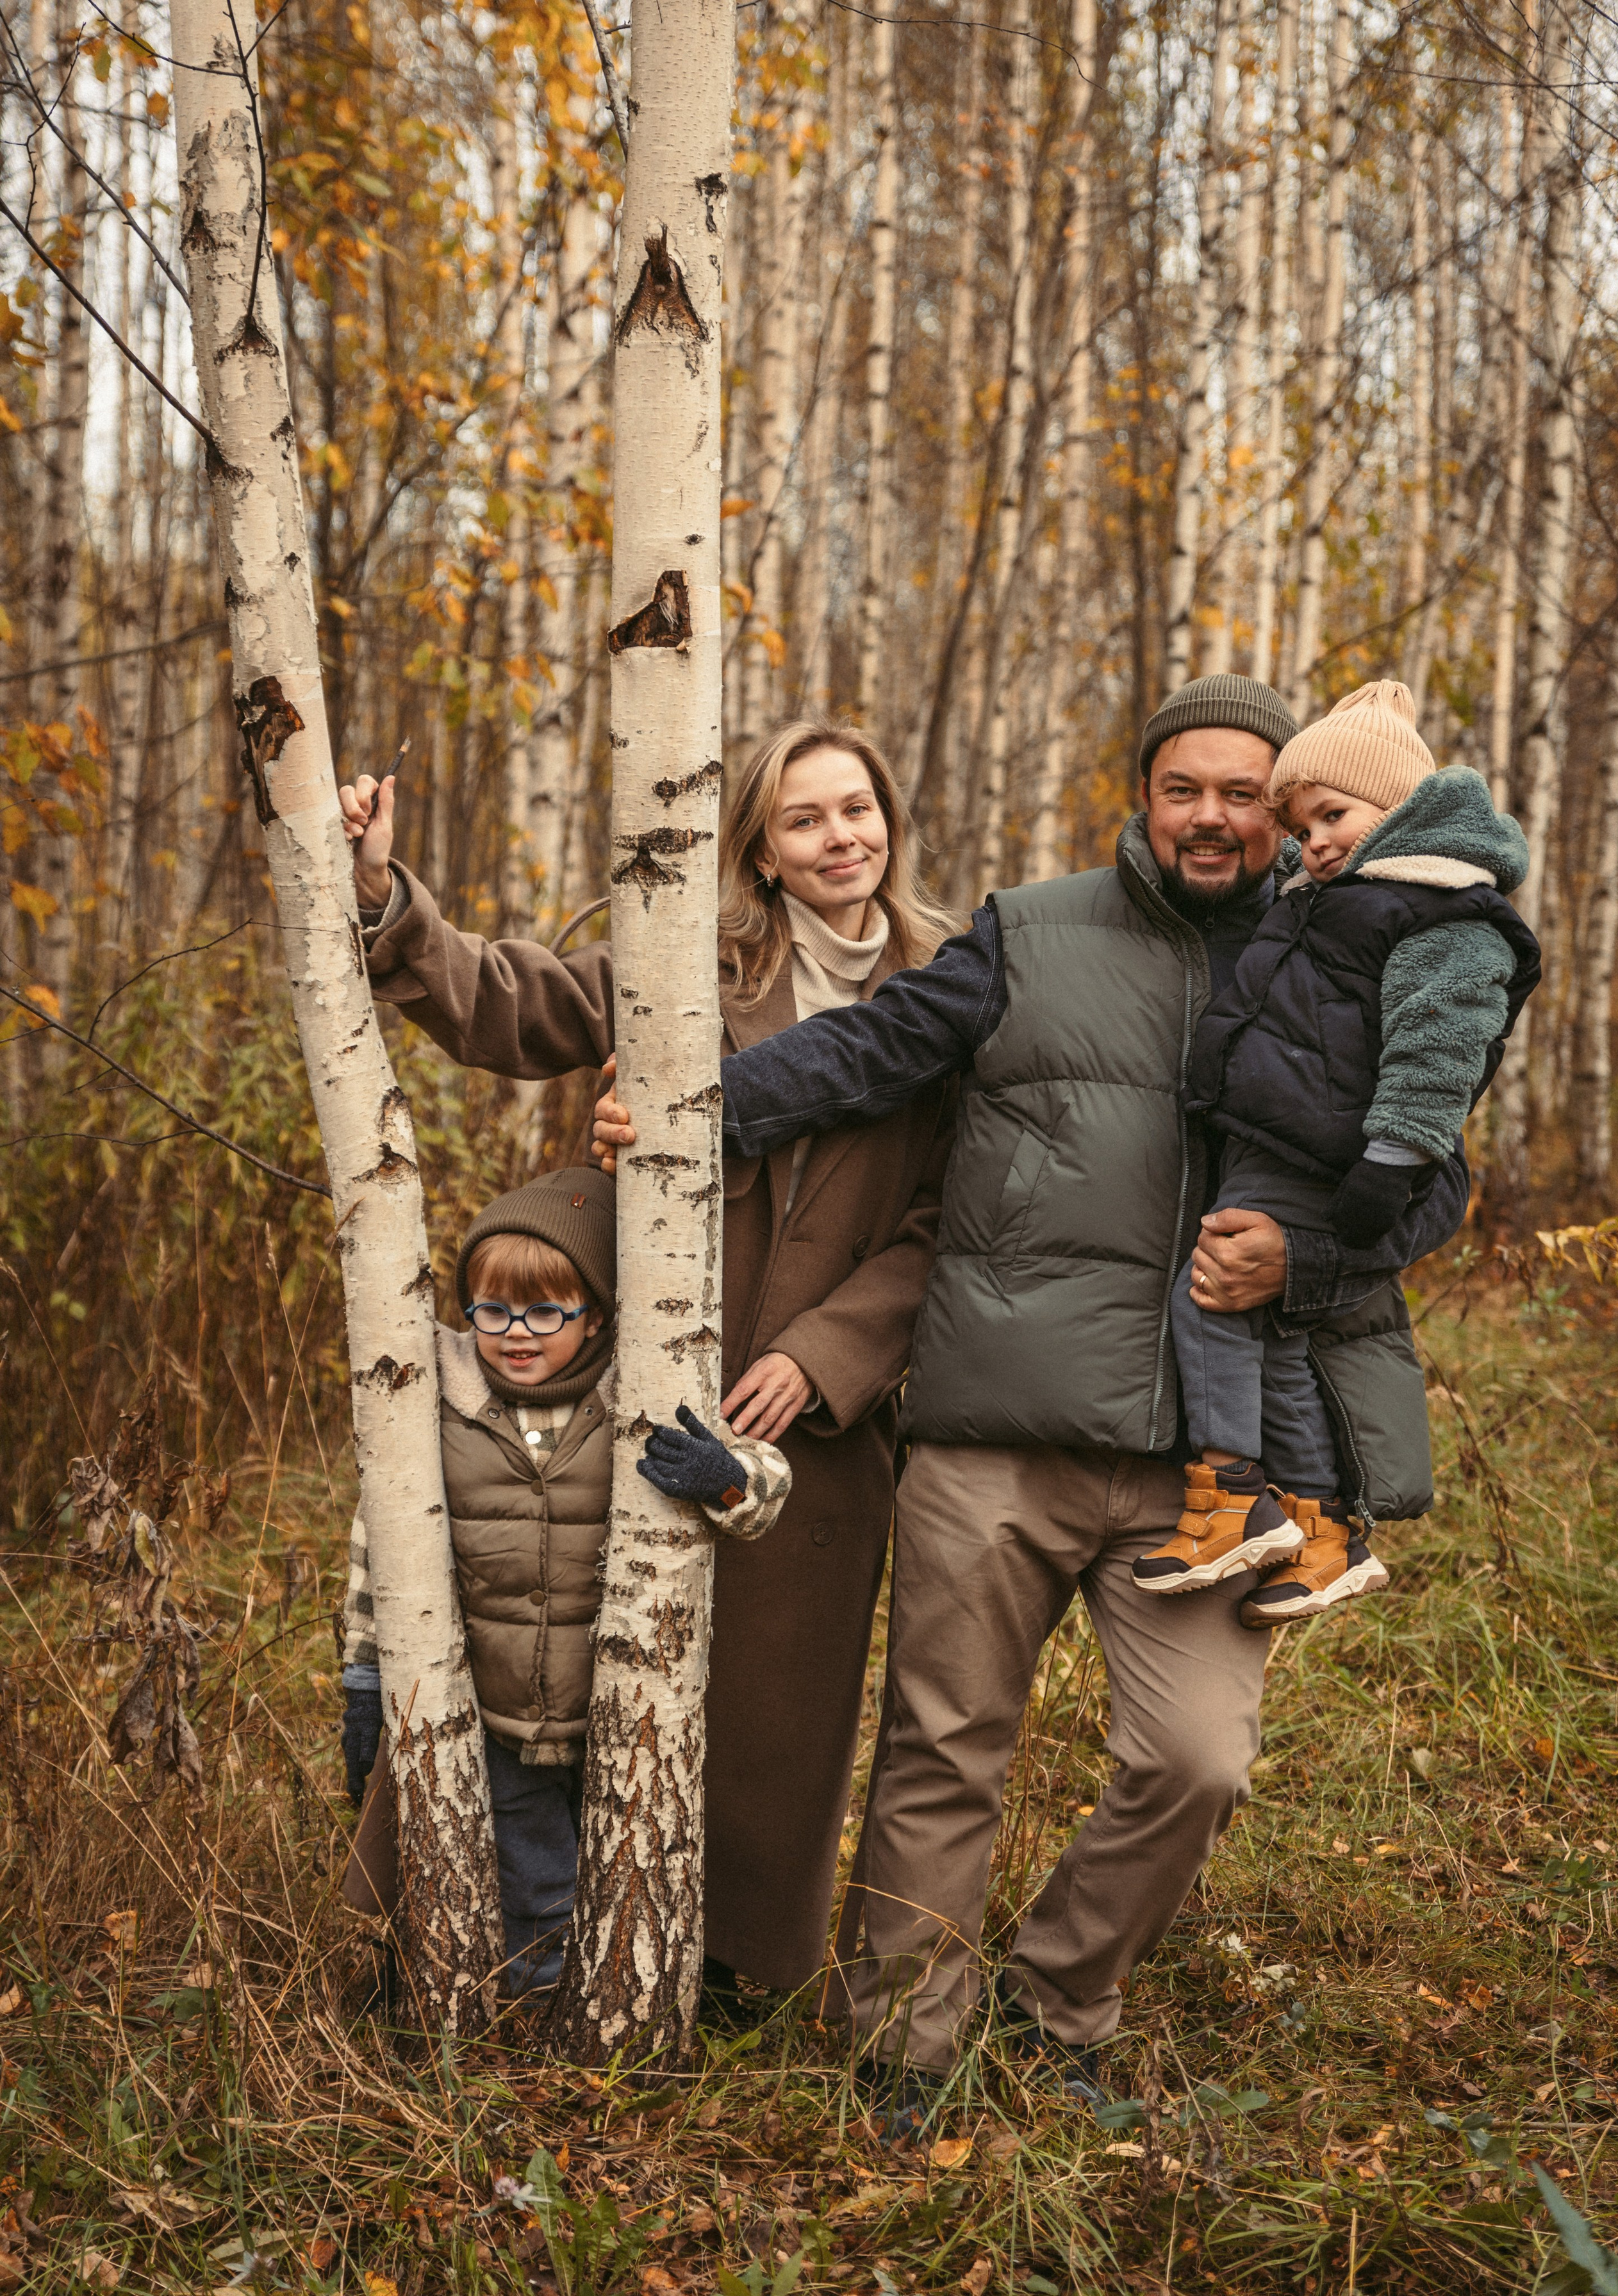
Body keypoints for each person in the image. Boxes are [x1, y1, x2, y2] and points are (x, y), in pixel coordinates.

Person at [595, 673, 1473, 2128]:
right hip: (997, 1428)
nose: (1210, 816)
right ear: (1143, 797)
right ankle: (903, 2047)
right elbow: (868, 1052)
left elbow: (1433, 1174)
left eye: (1242, 792)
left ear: (1286, 807)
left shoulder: (1362, 949)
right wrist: (693, 1106)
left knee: (1197, 1761)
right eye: (1181, 788)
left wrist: (1303, 1255)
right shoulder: (1031, 931)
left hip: (1213, 1475)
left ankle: (1056, 1997)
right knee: (943, 1753)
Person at [337, 719, 958, 2015]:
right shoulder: (694, 958)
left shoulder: (949, 985)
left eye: (857, 810)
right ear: (762, 853)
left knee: (774, 1706)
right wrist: (387, 898)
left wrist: (823, 1356)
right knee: (550, 1661)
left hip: (815, 1417)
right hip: (640, 1377)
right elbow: (511, 1005)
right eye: (803, 820)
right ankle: (488, 1941)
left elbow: (947, 1218)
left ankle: (729, 1970)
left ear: (891, 824)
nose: (839, 837)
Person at [1135, 683, 1539, 1625]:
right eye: (1301, 825)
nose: (1312, 841)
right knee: (1275, 1336)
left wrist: (1392, 1164)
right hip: (1285, 1145)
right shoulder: (1336, 899)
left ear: (1401, 811)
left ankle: (1231, 1494)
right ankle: (1321, 1528)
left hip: (1326, 1158)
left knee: (1208, 1295)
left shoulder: (1441, 912)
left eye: (1334, 817)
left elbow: (1440, 1049)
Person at [340, 1165, 789, 1994]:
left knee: (617, 1866)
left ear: (595, 1317)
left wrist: (724, 1478)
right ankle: (540, 1995)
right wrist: (366, 1676)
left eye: (546, 1311)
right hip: (494, 1708)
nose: (517, 1333)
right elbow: (381, 1542)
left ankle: (620, 1984)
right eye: (493, 1310)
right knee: (535, 1874)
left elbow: (767, 1485)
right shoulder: (438, 1397)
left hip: (619, 1710)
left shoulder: (642, 1390)